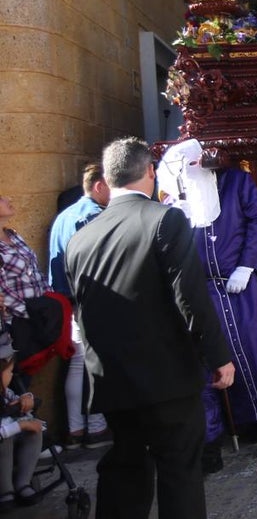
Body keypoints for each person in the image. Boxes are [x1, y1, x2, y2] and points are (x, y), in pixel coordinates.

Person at [65, 137, 235, 519]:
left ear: (108, 180)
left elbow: (84, 313)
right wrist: (219, 357)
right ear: (149, 172)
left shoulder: (79, 239)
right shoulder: (164, 219)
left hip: (113, 382)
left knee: (125, 471)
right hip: (167, 379)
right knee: (179, 473)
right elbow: (189, 296)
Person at [156, 142, 257, 468]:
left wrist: (247, 265)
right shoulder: (174, 197)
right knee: (207, 366)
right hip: (199, 291)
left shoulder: (236, 182)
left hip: (239, 288)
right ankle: (211, 442)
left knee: (253, 357)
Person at [47, 163, 111, 448]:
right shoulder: (94, 215)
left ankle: (74, 430)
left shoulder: (64, 216)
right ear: (99, 186)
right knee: (95, 362)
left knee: (76, 363)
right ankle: (96, 427)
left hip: (66, 297)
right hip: (90, 299)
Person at [0, 329, 44, 511]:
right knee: (7, 436)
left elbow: (17, 401)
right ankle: (5, 491)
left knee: (34, 429)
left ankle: (23, 483)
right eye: (9, 372)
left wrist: (27, 399)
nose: (11, 376)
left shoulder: (5, 393)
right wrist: (20, 424)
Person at [0, 198, 47, 322]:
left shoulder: (13, 235)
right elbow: (3, 291)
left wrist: (50, 299)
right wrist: (29, 313)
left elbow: (34, 271)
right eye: (0, 199)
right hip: (19, 321)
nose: (7, 200)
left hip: (42, 312)